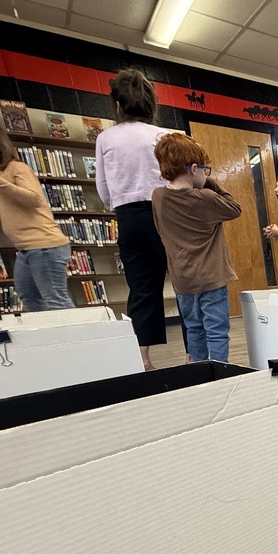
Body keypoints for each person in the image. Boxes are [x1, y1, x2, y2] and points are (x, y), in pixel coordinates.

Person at [96, 68, 172, 371]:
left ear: (117, 105)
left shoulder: (106, 137)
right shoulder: (162, 136)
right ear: (151, 105)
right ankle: (196, 352)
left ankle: (143, 359)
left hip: (127, 216)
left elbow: (103, 189)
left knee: (142, 289)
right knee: (186, 284)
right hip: (164, 212)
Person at [151, 133, 242, 362]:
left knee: (194, 329)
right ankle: (221, 375)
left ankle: (198, 375)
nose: (206, 173)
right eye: (205, 169)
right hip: (211, 277)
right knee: (217, 331)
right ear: (194, 168)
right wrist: (208, 182)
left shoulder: (158, 197)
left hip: (183, 279)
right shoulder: (206, 198)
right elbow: (234, 208)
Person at [0, 118, 74, 312]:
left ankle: (82, 341)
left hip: (44, 245)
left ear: (0, 139)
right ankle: (50, 340)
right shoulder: (0, 172)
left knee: (56, 300)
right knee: (30, 299)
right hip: (25, 249)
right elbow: (15, 210)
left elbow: (34, 200)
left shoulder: (17, 168)